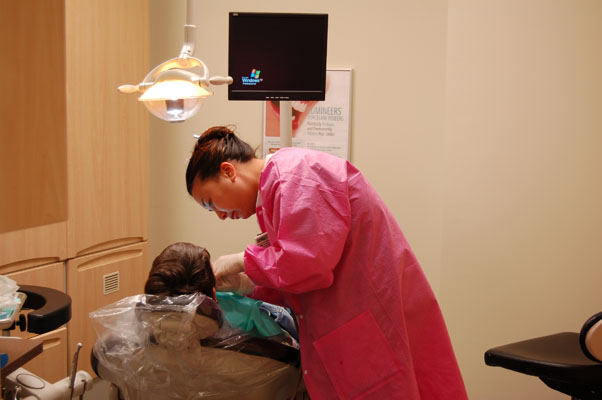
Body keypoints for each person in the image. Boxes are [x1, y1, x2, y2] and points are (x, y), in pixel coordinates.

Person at [185, 126, 468, 400]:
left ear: (228, 171)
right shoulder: (276, 190)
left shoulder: (296, 176)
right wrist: (246, 285)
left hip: (367, 325)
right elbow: (294, 273)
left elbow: (307, 264)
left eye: (210, 203)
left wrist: (241, 261)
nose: (219, 215)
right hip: (349, 329)